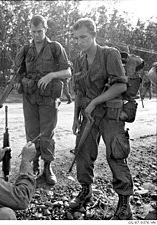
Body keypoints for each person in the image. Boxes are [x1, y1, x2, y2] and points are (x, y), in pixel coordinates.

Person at [70, 18, 133, 220]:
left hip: (110, 115)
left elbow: (121, 86)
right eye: (77, 38)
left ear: (94, 35)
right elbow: (78, 92)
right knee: (83, 151)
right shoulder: (79, 60)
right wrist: (75, 119)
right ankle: (86, 190)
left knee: (115, 154)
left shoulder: (109, 54)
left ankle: (124, 203)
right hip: (88, 115)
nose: (80, 41)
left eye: (84, 37)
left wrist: (95, 101)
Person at [14, 15, 71, 185]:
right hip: (30, 97)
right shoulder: (25, 50)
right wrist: (17, 83)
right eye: (33, 31)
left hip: (48, 98)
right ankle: (34, 165)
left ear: (45, 29)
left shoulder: (55, 47)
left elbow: (67, 72)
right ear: (30, 31)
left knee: (47, 134)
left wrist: (52, 75)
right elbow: (17, 73)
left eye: (40, 31)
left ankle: (48, 166)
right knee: (31, 133)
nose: (36, 35)